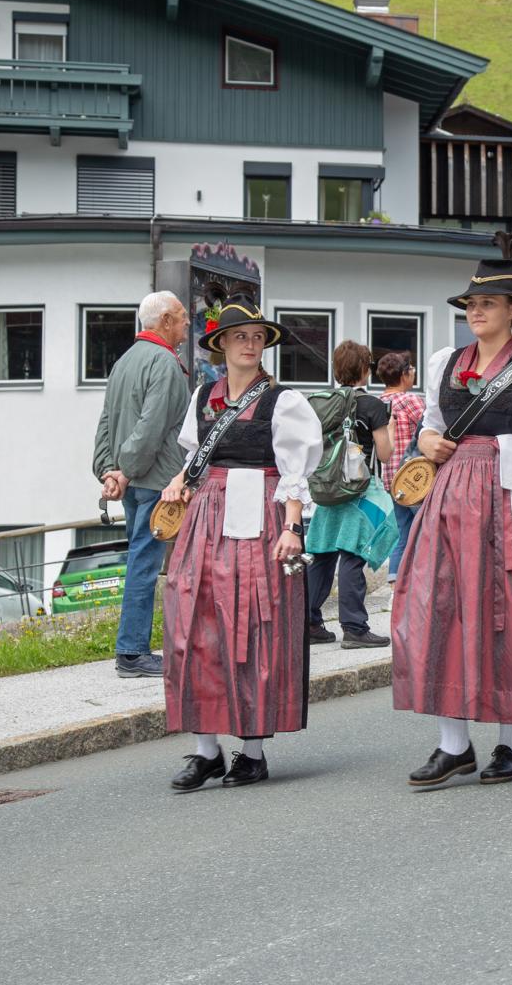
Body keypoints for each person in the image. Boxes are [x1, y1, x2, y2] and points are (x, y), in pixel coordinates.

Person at [392, 234, 512, 787]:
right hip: (450, 501)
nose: (476, 312)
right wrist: (428, 444)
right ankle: (454, 745)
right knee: (440, 608)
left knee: (508, 610)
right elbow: (430, 426)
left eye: (488, 304)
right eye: (471, 305)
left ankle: (509, 745)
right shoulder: (445, 362)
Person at [160, 301, 323, 790]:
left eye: (257, 336)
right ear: (222, 345)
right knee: (196, 624)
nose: (250, 343)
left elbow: (295, 473)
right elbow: (195, 460)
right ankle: (205, 750)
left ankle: (251, 751)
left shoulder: (283, 401)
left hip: (260, 517)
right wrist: (178, 485)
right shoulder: (203, 396)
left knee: (251, 627)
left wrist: (293, 529)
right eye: (240, 336)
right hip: (207, 517)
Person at [92, 290, 191, 679]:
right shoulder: (165, 363)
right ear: (165, 320)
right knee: (147, 564)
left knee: (141, 558)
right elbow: (151, 427)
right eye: (182, 316)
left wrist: (109, 470)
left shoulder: (123, 362)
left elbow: (105, 422)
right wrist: (126, 469)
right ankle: (132, 651)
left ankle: (139, 647)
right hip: (156, 479)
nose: (187, 323)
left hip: (134, 479)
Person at [304, 340, 395, 649]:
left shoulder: (320, 401)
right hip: (360, 490)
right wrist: (388, 424)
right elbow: (384, 453)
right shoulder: (370, 404)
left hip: (326, 488)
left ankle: (310, 622)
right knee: (353, 554)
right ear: (365, 370)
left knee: (322, 554)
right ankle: (354, 627)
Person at [375, 352, 425, 584]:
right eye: (411, 369)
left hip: (391, 479)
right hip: (414, 479)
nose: (413, 373)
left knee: (403, 532)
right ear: (404, 374)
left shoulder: (378, 402)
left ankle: (396, 584)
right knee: (424, 531)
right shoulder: (410, 401)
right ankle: (419, 582)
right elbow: (429, 430)